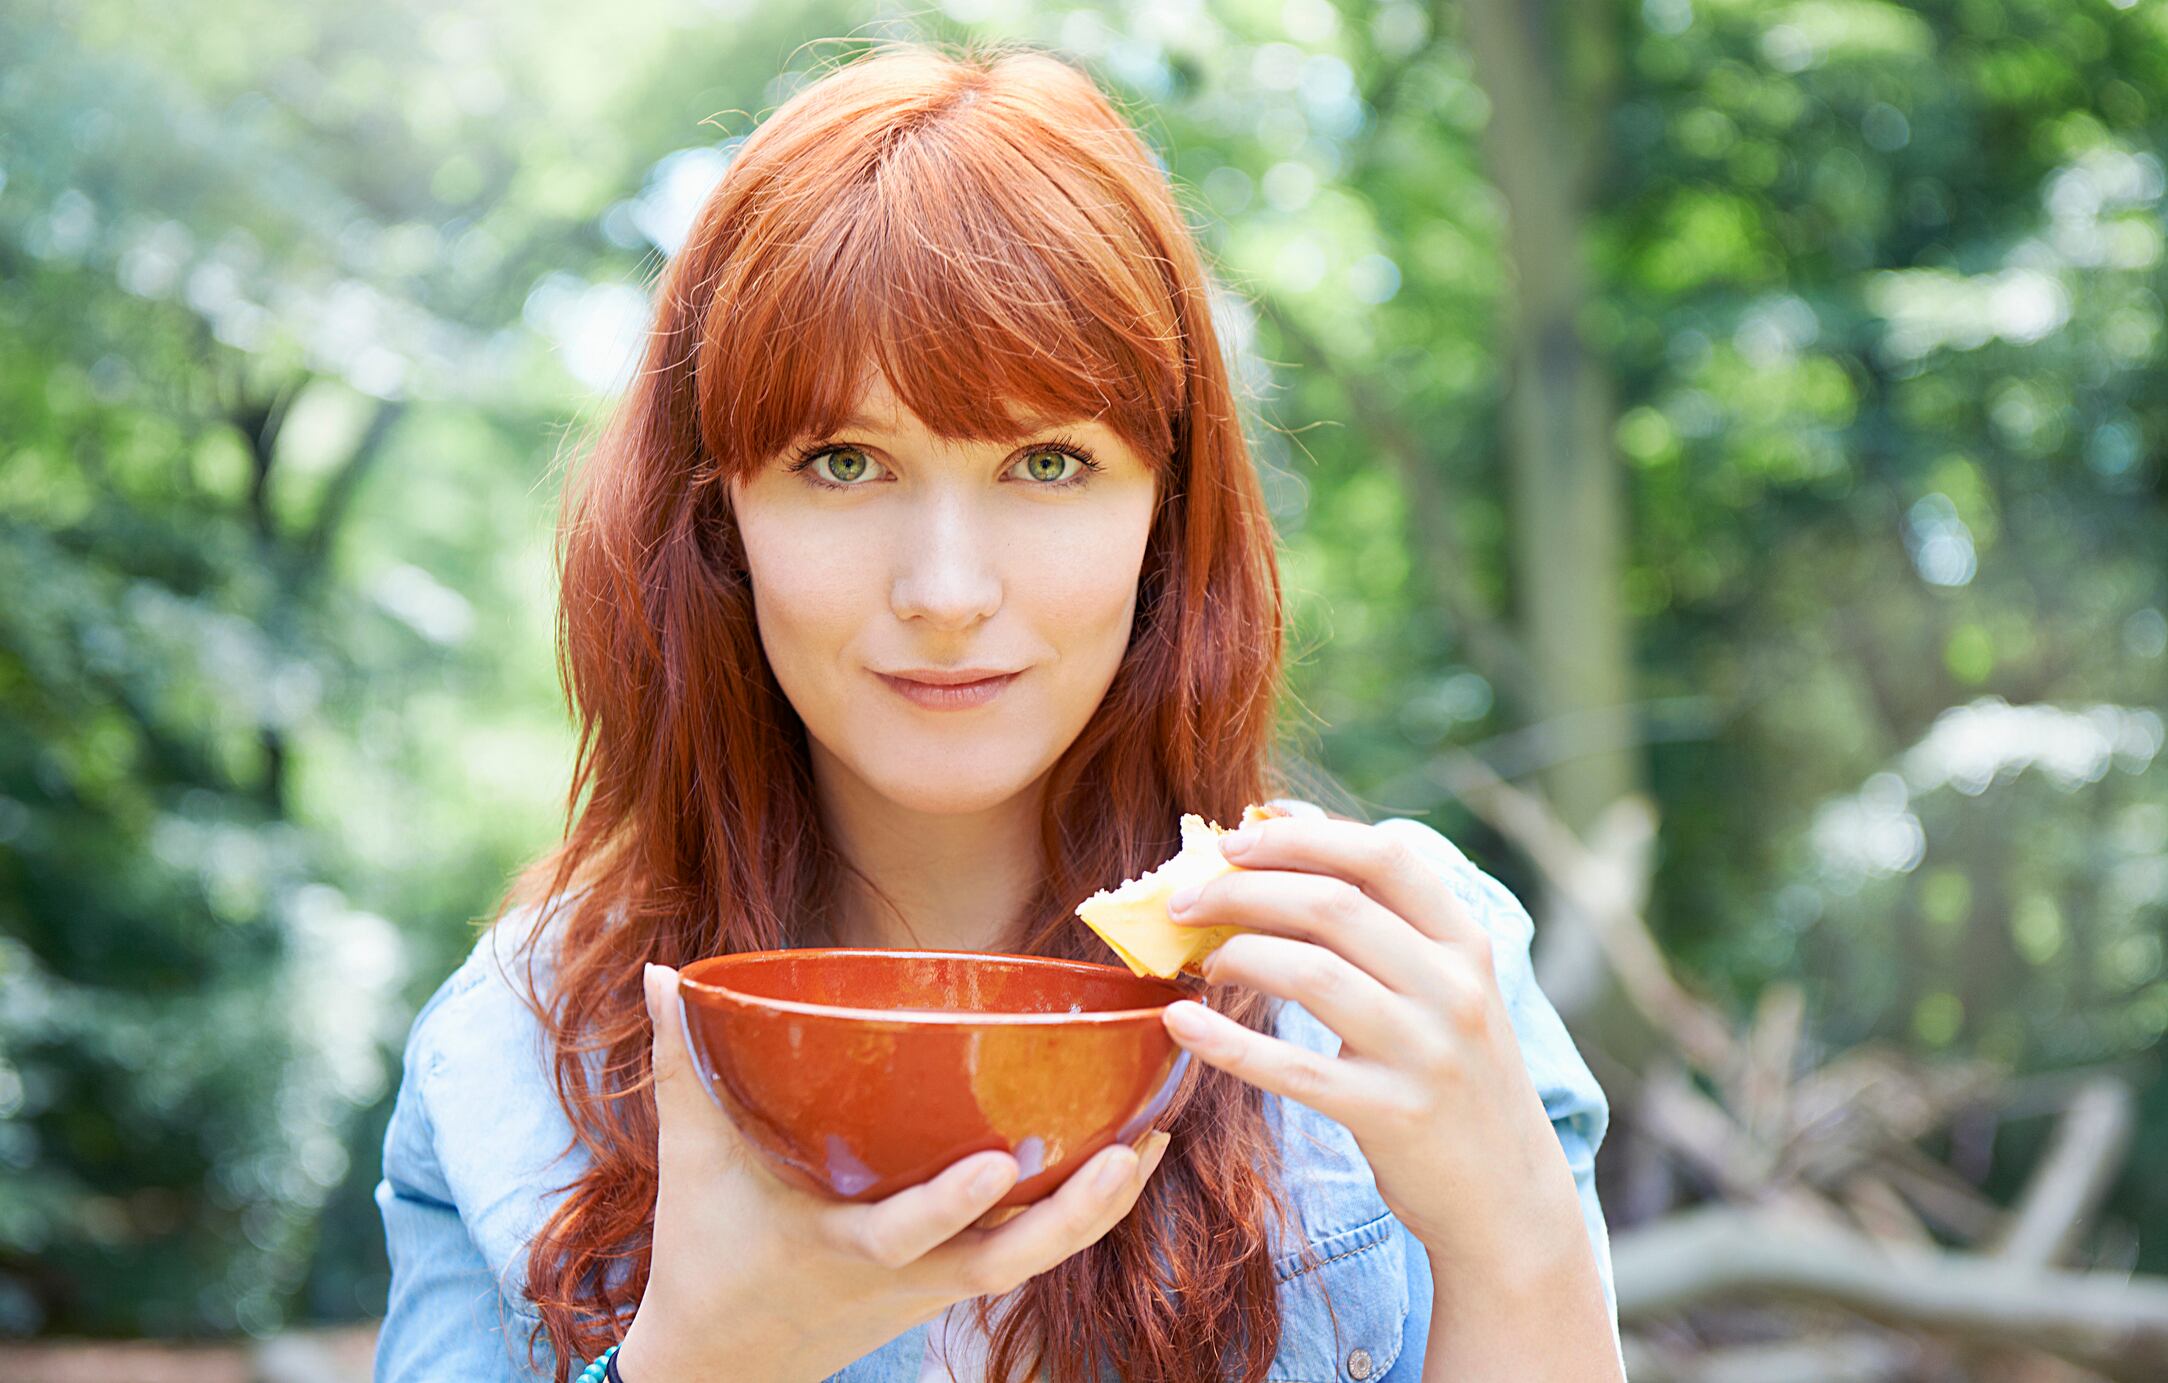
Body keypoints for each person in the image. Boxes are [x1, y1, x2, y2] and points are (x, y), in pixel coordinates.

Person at [372, 38, 1622, 1383]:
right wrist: (701, 1363)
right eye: (843, 462)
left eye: (1049, 460)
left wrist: (1515, 1241)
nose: (948, 590)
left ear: (1167, 511)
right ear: (715, 517)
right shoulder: (512, 1053)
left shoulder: (1395, 977)